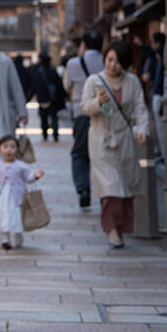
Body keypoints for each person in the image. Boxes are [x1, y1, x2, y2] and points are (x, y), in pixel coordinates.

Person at [81, 41, 150, 248]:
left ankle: (121, 228)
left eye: (118, 62)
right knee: (110, 186)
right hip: (100, 138)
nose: (113, 65)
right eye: (110, 60)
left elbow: (140, 108)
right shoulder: (94, 81)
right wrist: (98, 103)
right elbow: (84, 107)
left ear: (126, 64)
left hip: (124, 138)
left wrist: (143, 129)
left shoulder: (133, 82)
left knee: (125, 186)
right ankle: (111, 229)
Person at [63, 30, 105, 208]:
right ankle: (105, 193)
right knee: (103, 154)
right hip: (104, 112)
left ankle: (83, 189)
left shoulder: (73, 63)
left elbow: (66, 85)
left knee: (80, 153)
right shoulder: (107, 61)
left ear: (83, 45)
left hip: (81, 113)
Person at [29, 53, 66, 142]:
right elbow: (59, 85)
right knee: (53, 117)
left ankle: (45, 134)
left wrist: (28, 97)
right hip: (52, 98)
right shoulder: (53, 71)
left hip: (42, 98)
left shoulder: (39, 72)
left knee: (44, 117)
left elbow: (34, 86)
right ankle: (55, 134)